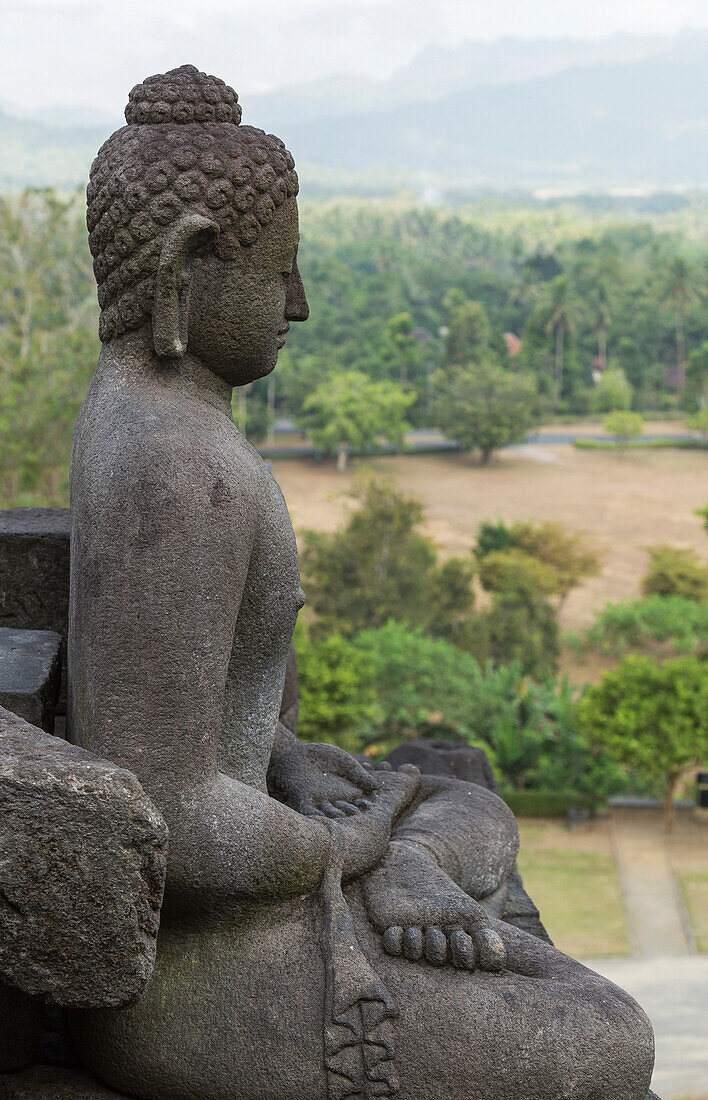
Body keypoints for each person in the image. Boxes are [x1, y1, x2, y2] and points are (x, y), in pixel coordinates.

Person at [67, 66, 656, 1100]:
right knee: (608, 1033)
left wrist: (290, 762)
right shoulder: (177, 466)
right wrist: (343, 841)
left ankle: (418, 870)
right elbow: (166, 801)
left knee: (470, 806)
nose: (298, 302)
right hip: (209, 972)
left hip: (266, 863)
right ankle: (407, 874)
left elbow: (189, 714)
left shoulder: (149, 415)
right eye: (279, 270)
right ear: (188, 264)